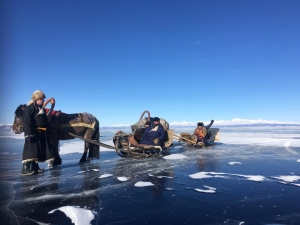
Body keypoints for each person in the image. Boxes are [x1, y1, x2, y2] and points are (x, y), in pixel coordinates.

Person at [21, 90, 55, 175]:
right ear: (37, 99)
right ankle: (26, 169)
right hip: (32, 134)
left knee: (38, 151)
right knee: (31, 151)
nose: (43, 100)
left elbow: (45, 121)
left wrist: (48, 132)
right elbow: (27, 123)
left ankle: (35, 168)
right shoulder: (29, 109)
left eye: (43, 99)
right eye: (42, 99)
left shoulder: (40, 109)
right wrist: (29, 135)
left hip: (40, 133)